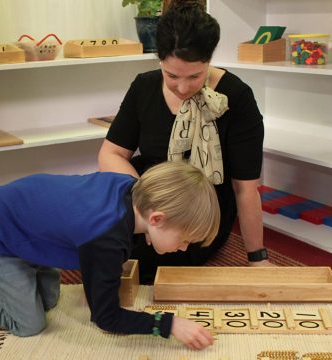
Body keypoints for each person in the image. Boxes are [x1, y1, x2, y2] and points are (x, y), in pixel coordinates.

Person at [0, 161, 219, 350]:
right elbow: (106, 318)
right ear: (155, 219)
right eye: (184, 240)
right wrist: (169, 325)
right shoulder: (106, 238)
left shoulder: (132, 189)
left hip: (22, 222)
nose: (182, 248)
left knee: (50, 298)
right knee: (29, 323)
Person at [98, 1, 271, 283]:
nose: (182, 88)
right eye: (171, 76)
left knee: (156, 261)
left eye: (194, 76)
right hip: (147, 196)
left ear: (209, 60)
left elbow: (245, 187)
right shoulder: (144, 86)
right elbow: (111, 153)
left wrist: (257, 258)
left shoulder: (236, 97)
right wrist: (145, 198)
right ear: (159, 61)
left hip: (199, 210)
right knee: (98, 236)